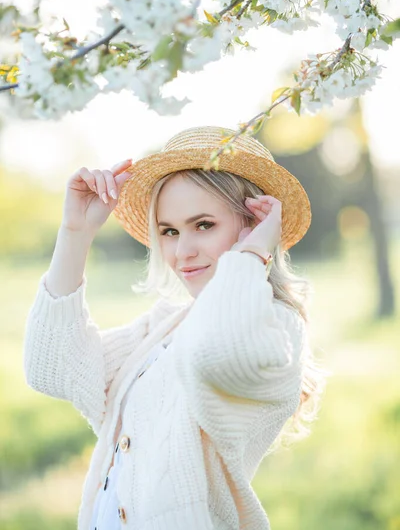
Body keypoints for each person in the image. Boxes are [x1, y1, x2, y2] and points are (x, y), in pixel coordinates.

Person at [23, 126, 327, 530]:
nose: (183, 252)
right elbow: (53, 370)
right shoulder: (166, 324)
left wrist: (253, 254)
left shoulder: (277, 328)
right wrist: (75, 234)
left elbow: (217, 356)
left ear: (253, 223)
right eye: (169, 231)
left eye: (204, 225)